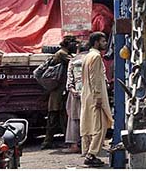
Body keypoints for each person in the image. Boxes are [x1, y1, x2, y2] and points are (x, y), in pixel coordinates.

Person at [80, 32, 112, 168]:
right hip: (95, 96)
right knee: (100, 126)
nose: (105, 43)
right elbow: (95, 79)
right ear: (96, 42)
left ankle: (87, 150)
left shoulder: (87, 56)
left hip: (87, 94)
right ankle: (91, 155)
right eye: (103, 41)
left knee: (88, 125)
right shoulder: (96, 57)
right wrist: (98, 96)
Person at [42, 36, 77, 149]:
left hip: (58, 91)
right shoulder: (62, 53)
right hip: (58, 92)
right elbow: (74, 62)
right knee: (57, 117)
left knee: (57, 117)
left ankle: (51, 141)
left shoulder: (61, 53)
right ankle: (51, 141)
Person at [65, 42, 89, 154]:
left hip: (75, 95)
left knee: (74, 119)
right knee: (89, 119)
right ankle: (87, 145)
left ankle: (74, 145)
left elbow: (69, 79)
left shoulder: (73, 60)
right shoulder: (93, 58)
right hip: (88, 94)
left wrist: (72, 90)